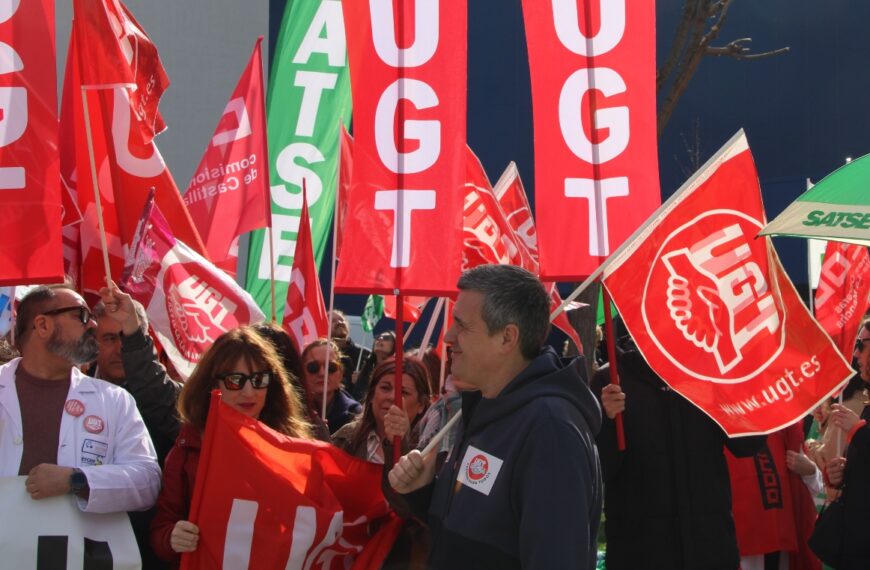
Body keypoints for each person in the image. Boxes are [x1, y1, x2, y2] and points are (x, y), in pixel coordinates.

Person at [389, 264, 603, 569]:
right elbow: (473, 534)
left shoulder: (550, 428)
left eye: (462, 325)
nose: (449, 337)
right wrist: (424, 494)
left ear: (507, 338)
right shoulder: (485, 408)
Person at [593, 333, 766, 570]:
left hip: (709, 548)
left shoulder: (711, 374)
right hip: (640, 552)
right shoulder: (611, 381)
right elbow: (599, 468)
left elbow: (748, 445)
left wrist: (741, 391)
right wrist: (607, 420)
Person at [149, 326, 312, 566]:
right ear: (213, 386)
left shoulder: (294, 448)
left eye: (258, 380)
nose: (249, 392)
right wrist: (171, 537)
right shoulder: (190, 445)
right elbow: (161, 527)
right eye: (236, 381)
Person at [0, 284, 160, 514]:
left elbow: (147, 482)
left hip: (74, 547)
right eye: (82, 316)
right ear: (43, 325)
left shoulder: (114, 401)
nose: (93, 325)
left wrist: (77, 480)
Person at [822, 320, 870, 569]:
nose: (855, 354)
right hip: (855, 544)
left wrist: (858, 431)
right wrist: (838, 475)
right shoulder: (866, 403)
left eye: (861, 344)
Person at [332, 357, 431, 462]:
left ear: (421, 404)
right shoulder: (347, 438)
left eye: (404, 392)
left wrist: (400, 445)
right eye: (385, 388)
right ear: (372, 394)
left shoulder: (427, 453)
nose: (392, 397)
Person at [301, 338, 361, 434]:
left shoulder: (355, 415)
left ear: (340, 374)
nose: (322, 373)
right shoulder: (290, 412)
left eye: (330, 367)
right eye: (313, 367)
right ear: (302, 373)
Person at [330, 309, 371, 391]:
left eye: (342, 320)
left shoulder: (366, 356)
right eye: (333, 321)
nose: (340, 322)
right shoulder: (319, 355)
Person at [352, 330, 396, 401]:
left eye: (386, 338)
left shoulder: (397, 371)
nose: (380, 339)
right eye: (378, 337)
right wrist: (358, 382)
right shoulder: (366, 368)